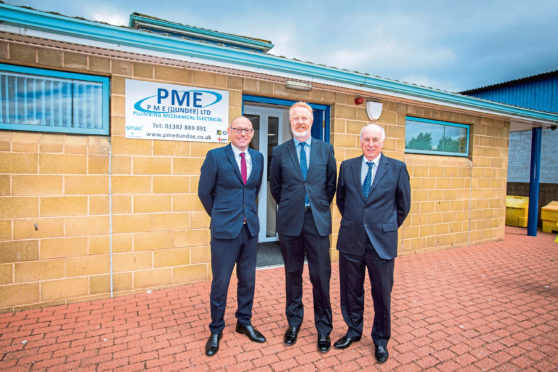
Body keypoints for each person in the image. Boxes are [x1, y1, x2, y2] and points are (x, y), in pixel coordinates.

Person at [334, 123, 411, 363]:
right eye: (366, 139)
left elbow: (403, 206)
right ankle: (353, 331)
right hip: (351, 240)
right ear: (360, 141)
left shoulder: (397, 168)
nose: (370, 143)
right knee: (351, 290)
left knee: (381, 293)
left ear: (382, 142)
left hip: (382, 242)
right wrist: (357, 222)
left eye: (375, 139)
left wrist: (384, 226)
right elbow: (342, 200)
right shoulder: (347, 167)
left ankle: (380, 340)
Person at [270, 101, 337, 353]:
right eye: (296, 118)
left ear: (311, 121)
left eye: (304, 118)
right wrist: (292, 205)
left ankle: (323, 329)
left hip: (317, 221)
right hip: (290, 222)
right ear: (290, 121)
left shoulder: (325, 149)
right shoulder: (280, 152)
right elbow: (275, 187)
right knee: (292, 275)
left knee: (321, 277)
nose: (300, 122)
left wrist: (316, 205)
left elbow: (330, 185)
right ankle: (294, 323)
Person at [198, 116, 266, 357]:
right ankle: (216, 329)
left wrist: (245, 215)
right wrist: (220, 214)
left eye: (247, 130)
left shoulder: (258, 158)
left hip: (250, 230)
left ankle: (243, 322)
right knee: (221, 282)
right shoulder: (215, 156)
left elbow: (254, 191)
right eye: (237, 129)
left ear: (252, 133)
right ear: (229, 132)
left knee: (247, 280)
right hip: (225, 231)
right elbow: (204, 192)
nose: (242, 134)